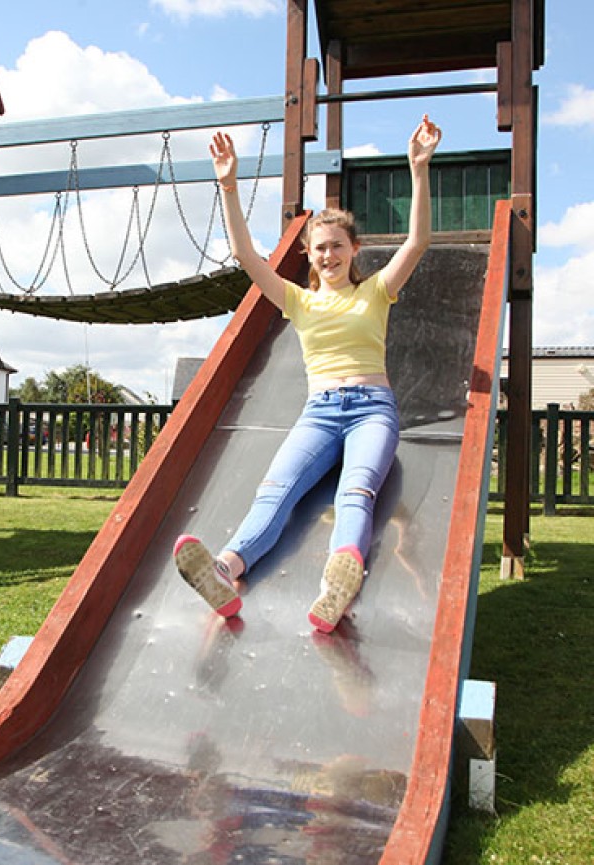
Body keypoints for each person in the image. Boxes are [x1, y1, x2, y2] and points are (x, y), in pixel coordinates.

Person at [174, 115, 442, 632]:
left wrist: (419, 168)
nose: (329, 254)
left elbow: (418, 241)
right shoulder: (297, 301)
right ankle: (225, 571)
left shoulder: (376, 290)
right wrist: (228, 184)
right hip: (320, 412)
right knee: (275, 489)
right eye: (320, 248)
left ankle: (337, 581)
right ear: (310, 257)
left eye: (338, 245)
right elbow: (244, 255)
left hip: (371, 412)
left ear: (354, 249)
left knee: (356, 491)